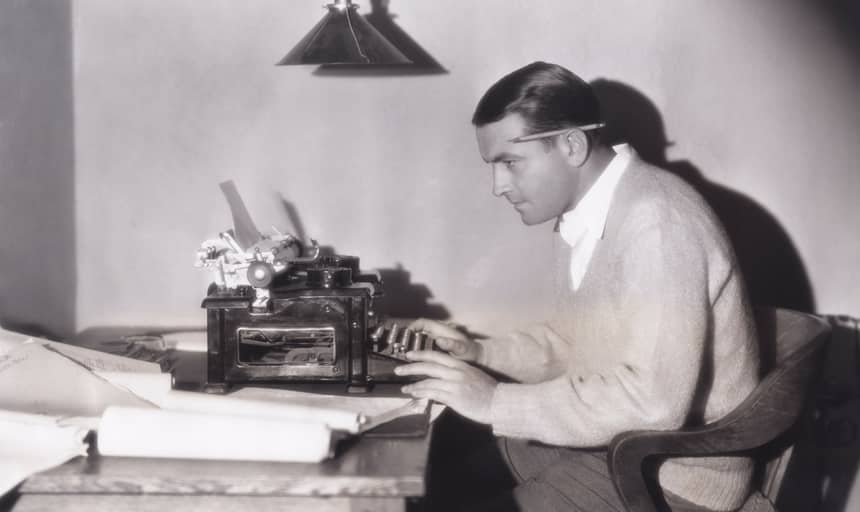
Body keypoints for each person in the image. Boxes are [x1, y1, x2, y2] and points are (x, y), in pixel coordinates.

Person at [394, 61, 760, 511]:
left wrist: (493, 401)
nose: (498, 185)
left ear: (571, 145)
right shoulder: (587, 215)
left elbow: (653, 404)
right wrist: (480, 354)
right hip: (611, 448)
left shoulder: (658, 222)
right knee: (432, 473)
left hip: (670, 478)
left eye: (510, 162)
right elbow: (572, 345)